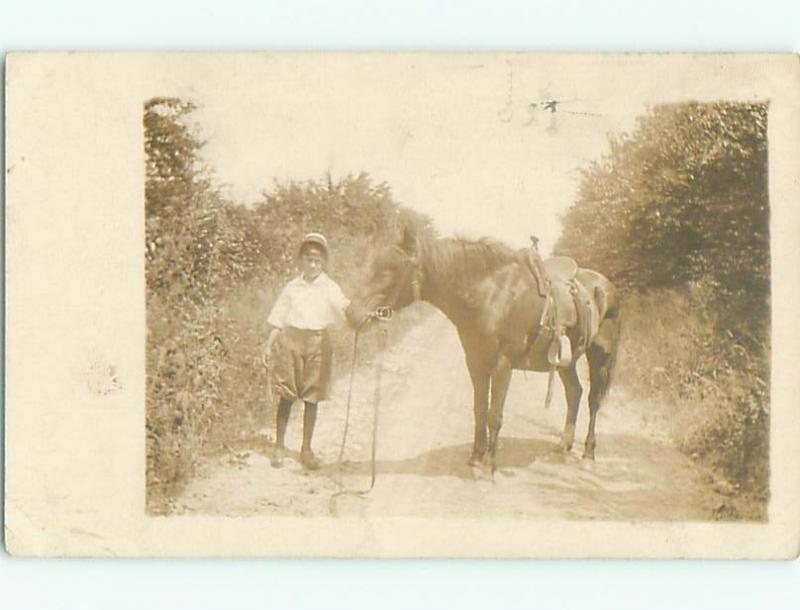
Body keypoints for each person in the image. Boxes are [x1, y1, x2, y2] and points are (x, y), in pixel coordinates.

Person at [261, 232, 361, 470]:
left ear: (324, 262)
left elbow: (345, 307)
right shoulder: (291, 287)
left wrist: (364, 319)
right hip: (291, 342)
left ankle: (306, 449)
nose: (313, 264)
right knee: (287, 395)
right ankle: (279, 446)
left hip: (318, 343)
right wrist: (267, 345)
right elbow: (278, 319)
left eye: (317, 260)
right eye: (308, 259)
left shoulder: (329, 287)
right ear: (300, 260)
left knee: (311, 397)